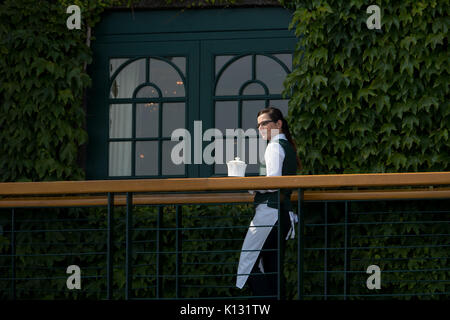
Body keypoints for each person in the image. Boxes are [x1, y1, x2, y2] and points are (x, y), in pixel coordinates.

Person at [236, 106, 301, 298]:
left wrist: (249, 185)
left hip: (270, 213)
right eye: (258, 125)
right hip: (282, 214)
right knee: (272, 268)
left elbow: (273, 183)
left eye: (265, 123)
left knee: (248, 264)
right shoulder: (286, 146)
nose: (261, 127)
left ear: (278, 124)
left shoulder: (274, 146)